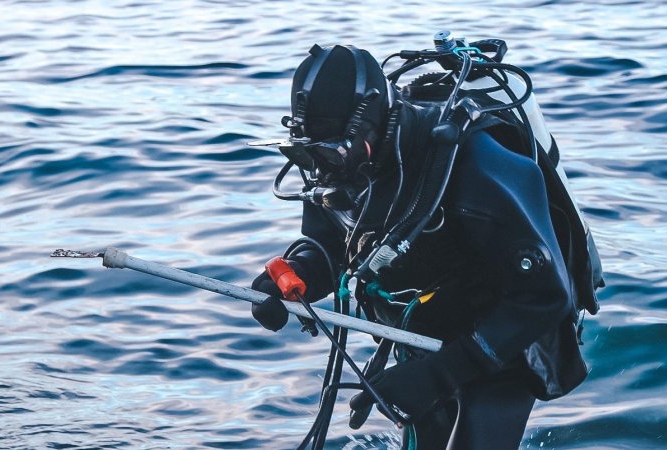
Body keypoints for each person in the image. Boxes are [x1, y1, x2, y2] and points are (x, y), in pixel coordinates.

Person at [250, 34, 604, 450]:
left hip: (511, 334)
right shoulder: (343, 168)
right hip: (426, 325)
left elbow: (546, 298)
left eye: (331, 156)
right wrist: (298, 274)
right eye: (311, 156)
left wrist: (439, 375)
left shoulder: (476, 171)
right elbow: (333, 244)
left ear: (368, 129)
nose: (322, 172)